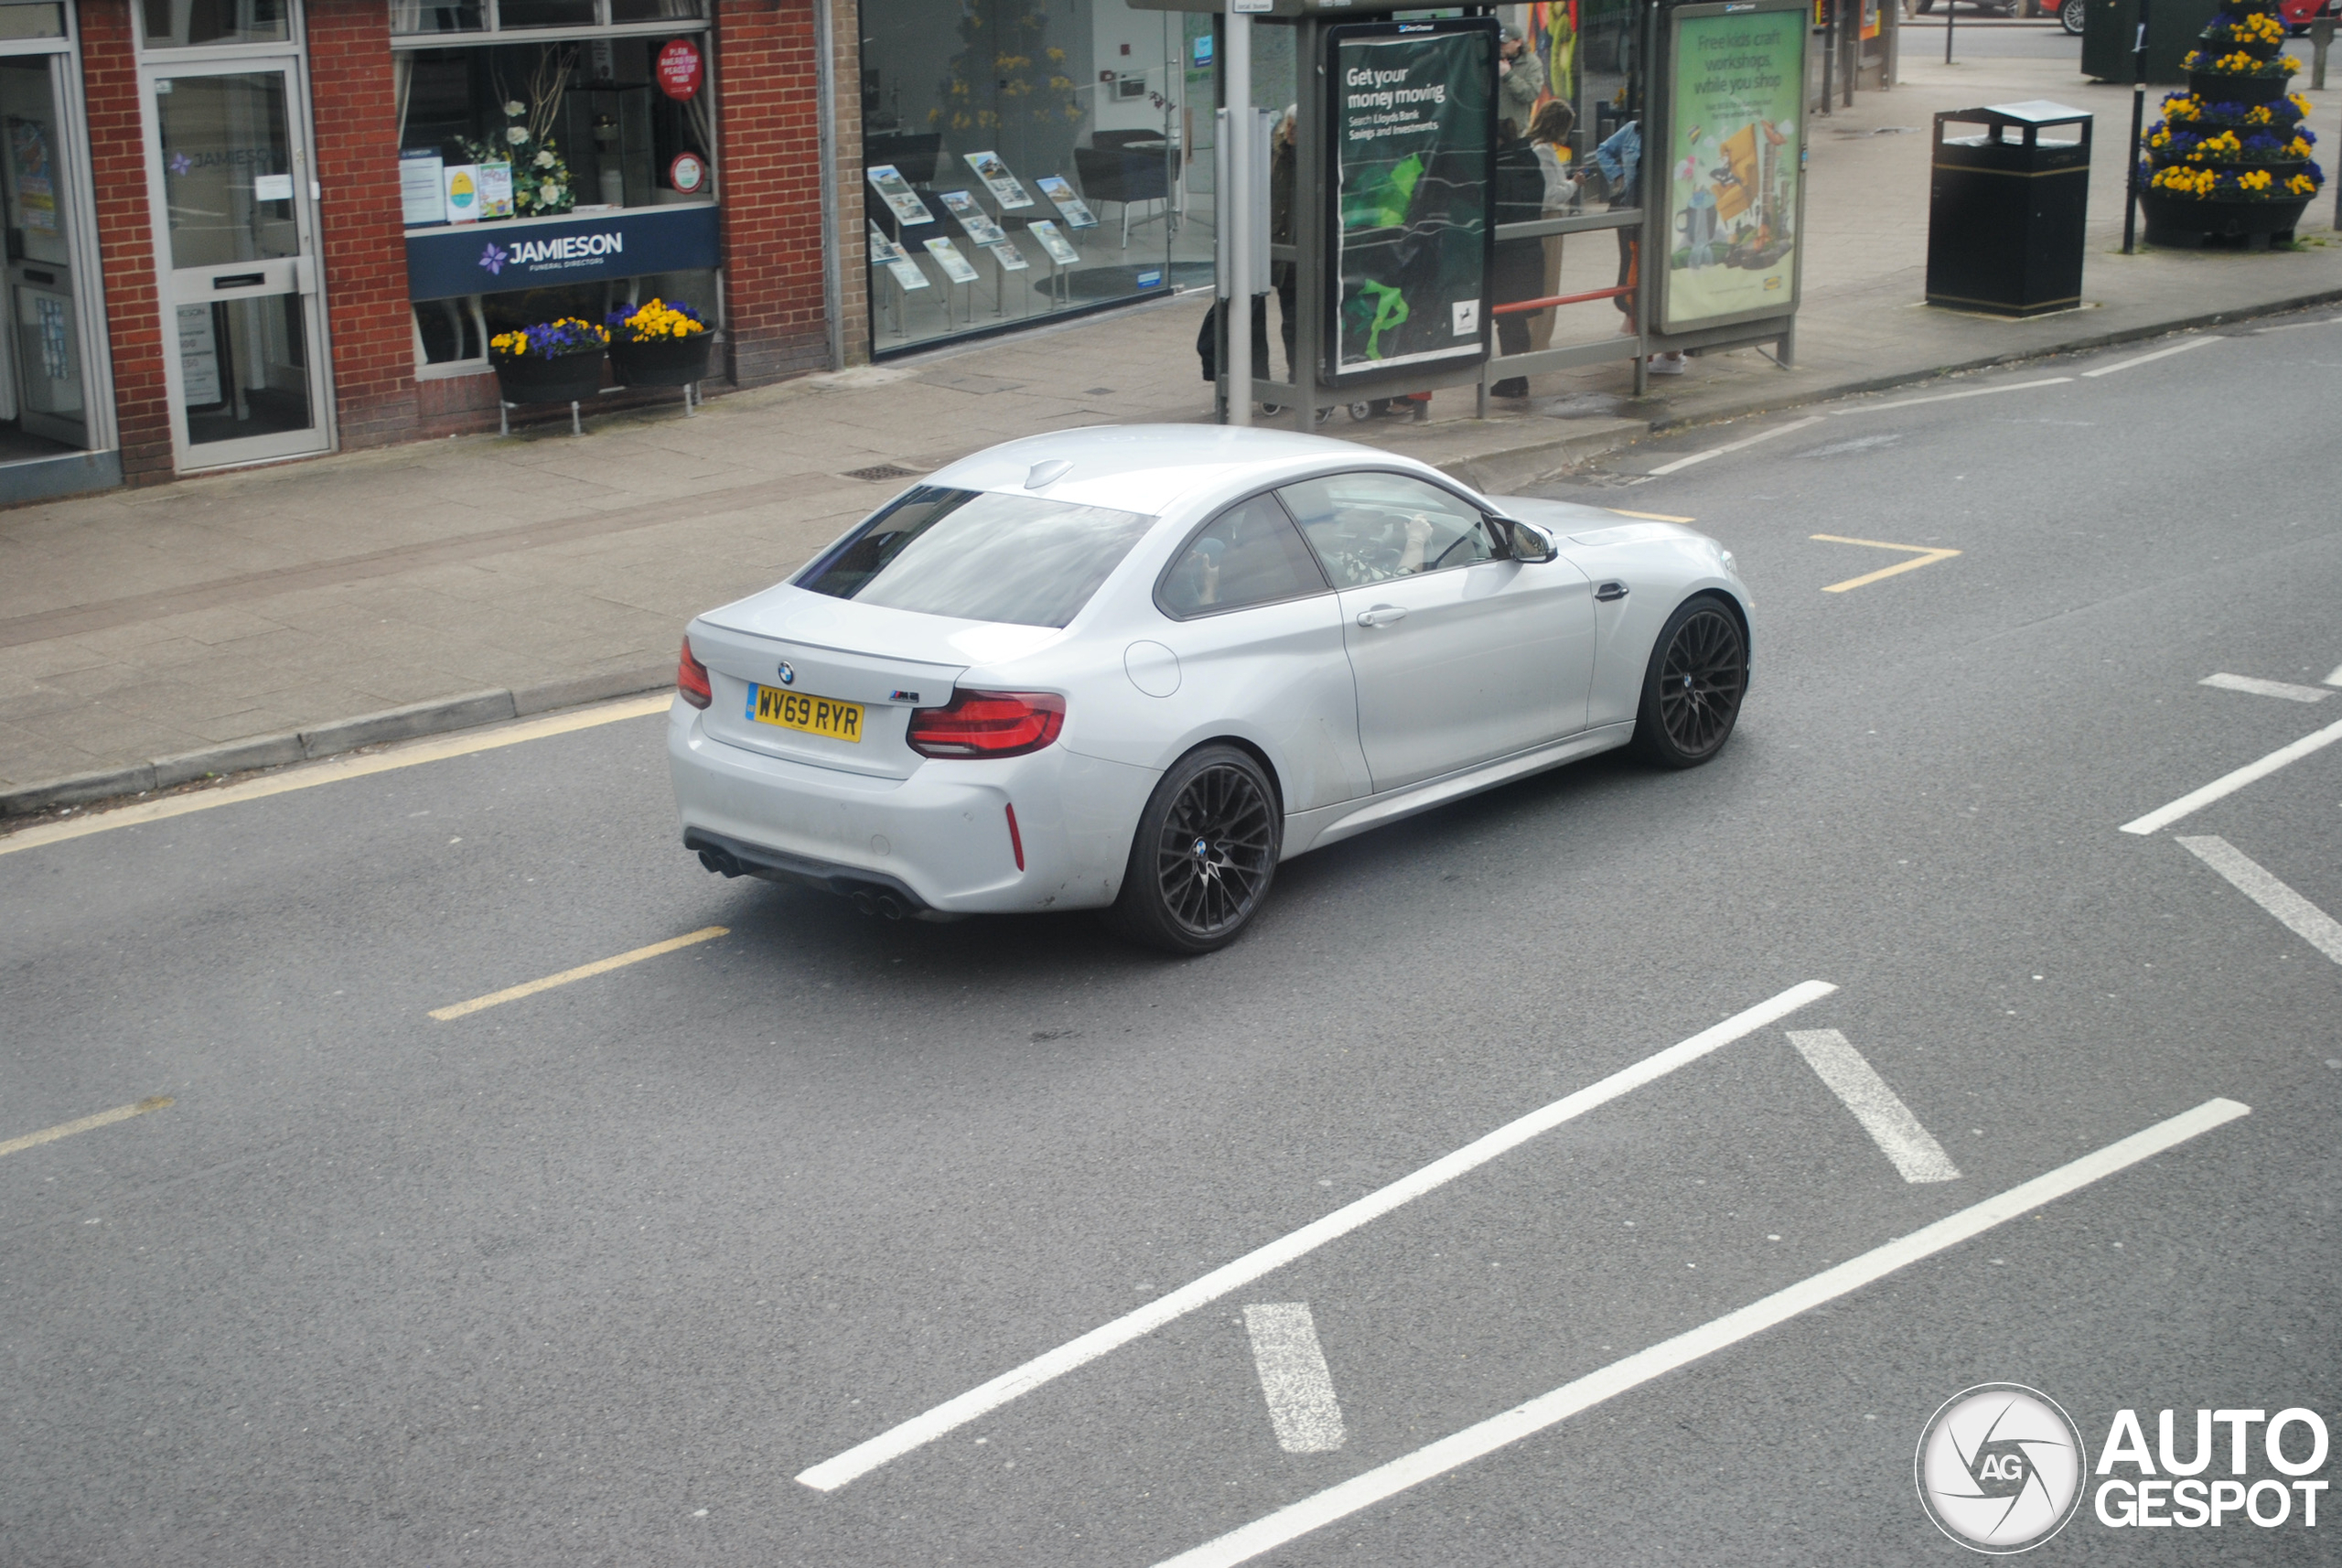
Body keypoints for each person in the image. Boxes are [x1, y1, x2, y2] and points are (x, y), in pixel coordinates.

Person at [1593, 117, 1686, 377]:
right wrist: (1618, 176)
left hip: (1663, 214)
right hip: (1633, 210)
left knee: (1657, 274)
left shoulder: (1675, 129)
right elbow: (1603, 149)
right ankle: (1635, 329)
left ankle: (1666, 350)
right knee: (1633, 267)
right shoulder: (1633, 129)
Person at [1488, 121, 1546, 399]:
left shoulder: (1501, 167)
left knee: (1506, 316)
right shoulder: (1528, 160)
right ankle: (1518, 376)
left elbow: (1499, 209)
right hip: (1530, 249)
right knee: (1516, 317)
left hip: (1507, 254)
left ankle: (1512, 379)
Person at [1525, 99, 1578, 352]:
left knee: (1540, 279)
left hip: (1543, 219)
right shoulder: (1544, 153)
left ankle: (1537, 337)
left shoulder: (1535, 148)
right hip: (1550, 218)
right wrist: (1575, 184)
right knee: (1549, 281)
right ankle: (1539, 340)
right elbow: (1551, 194)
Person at [1497, 27, 1544, 140]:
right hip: (1491, 126)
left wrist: (1508, 75)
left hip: (1515, 130)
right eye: (1499, 42)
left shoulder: (1532, 64)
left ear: (1519, 42)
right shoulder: (1491, 59)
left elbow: (1530, 94)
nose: (1501, 46)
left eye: (1505, 43)